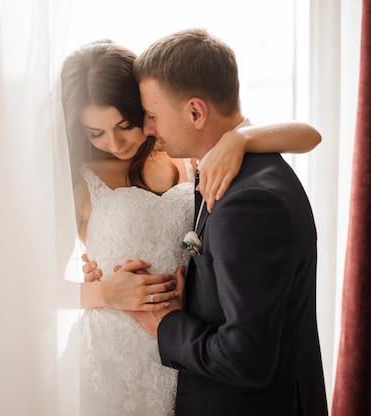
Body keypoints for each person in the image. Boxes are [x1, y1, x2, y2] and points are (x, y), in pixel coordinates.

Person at [60, 39, 322, 416]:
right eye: (95, 133)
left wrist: (241, 137)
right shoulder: (80, 178)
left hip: (186, 354)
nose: (115, 143)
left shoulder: (190, 155)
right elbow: (31, 289)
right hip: (116, 355)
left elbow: (309, 135)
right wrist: (105, 292)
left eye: (127, 123)